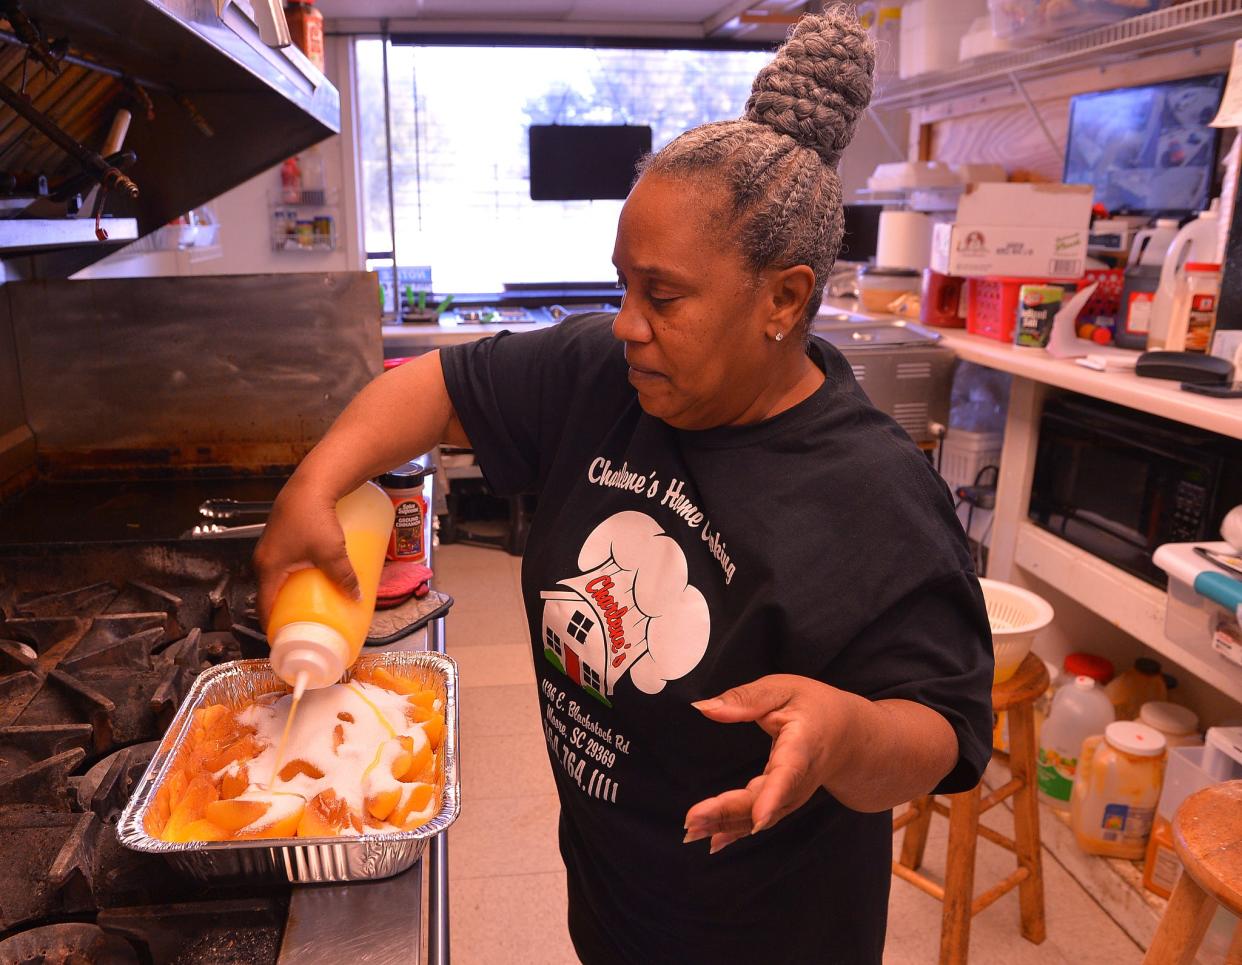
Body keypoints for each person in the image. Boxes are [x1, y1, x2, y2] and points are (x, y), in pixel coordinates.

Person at [255, 10, 993, 963]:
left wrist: (847, 734)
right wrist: (311, 485)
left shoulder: (874, 493)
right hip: (612, 899)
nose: (626, 324)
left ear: (783, 298)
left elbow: (942, 725)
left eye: (663, 295)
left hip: (765, 935)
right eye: (622, 287)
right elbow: (434, 386)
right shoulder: (608, 378)